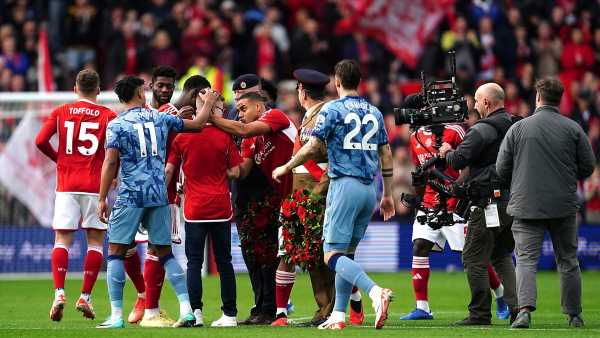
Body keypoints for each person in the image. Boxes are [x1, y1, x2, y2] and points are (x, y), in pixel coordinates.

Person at [272, 59, 395, 330]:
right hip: (369, 189)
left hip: (344, 184)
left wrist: (286, 166)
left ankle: (375, 293)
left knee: (331, 256)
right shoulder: (374, 111)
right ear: (359, 82)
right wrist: (387, 194)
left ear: (337, 82)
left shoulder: (333, 109)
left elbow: (313, 145)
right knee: (347, 255)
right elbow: (385, 154)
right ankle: (338, 315)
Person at [95, 76, 219, 329]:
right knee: (165, 253)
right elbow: (197, 124)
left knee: (116, 253)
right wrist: (208, 102)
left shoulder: (117, 125)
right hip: (158, 194)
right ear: (139, 94)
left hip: (130, 195)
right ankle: (186, 310)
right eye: (144, 89)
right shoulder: (160, 118)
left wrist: (101, 198)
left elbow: (109, 163)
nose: (147, 92)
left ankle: (116, 316)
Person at [400, 94, 510, 321]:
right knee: (419, 246)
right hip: (429, 202)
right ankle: (422, 307)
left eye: (411, 112)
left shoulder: (455, 130)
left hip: (455, 202)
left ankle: (500, 293)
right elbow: (419, 171)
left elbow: (470, 163)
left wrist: (458, 189)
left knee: (470, 255)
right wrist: (419, 198)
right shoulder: (414, 137)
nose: (409, 118)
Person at [496, 78, 595, 329]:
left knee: (526, 259)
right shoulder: (573, 128)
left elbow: (501, 168)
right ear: (559, 99)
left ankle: (524, 312)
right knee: (568, 261)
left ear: (538, 98)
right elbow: (588, 166)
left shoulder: (518, 129)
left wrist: (520, 181)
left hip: (526, 204)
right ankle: (574, 315)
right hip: (563, 204)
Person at [35, 69, 117, 322]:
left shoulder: (60, 112)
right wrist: (114, 174)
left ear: (75, 89)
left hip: (67, 183)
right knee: (94, 242)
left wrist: (59, 158)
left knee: (62, 240)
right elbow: (115, 151)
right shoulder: (109, 116)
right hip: (95, 185)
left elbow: (40, 140)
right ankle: (85, 296)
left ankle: (59, 292)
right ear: (99, 90)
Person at [211, 91, 297, 325]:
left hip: (305, 188)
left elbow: (243, 129)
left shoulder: (275, 116)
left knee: (317, 254)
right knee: (263, 255)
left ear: (259, 108)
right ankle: (265, 308)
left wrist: (210, 118)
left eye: (243, 108)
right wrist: (216, 171)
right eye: (237, 110)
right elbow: (242, 170)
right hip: (286, 198)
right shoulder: (250, 140)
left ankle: (332, 308)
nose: (239, 115)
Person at [439, 82, 517, 325]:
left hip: (488, 202)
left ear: (486, 102)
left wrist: (446, 152)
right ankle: (518, 309)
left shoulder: (483, 129)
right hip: (512, 200)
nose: (473, 104)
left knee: (473, 256)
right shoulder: (517, 124)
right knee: (501, 254)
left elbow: (460, 158)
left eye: (476, 99)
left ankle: (480, 313)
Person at [166, 77, 241, 327]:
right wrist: (221, 172)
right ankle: (230, 314)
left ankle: (196, 314)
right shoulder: (224, 137)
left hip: (195, 208)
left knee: (194, 263)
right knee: (225, 262)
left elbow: (170, 171)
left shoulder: (182, 137)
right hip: (220, 206)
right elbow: (237, 172)